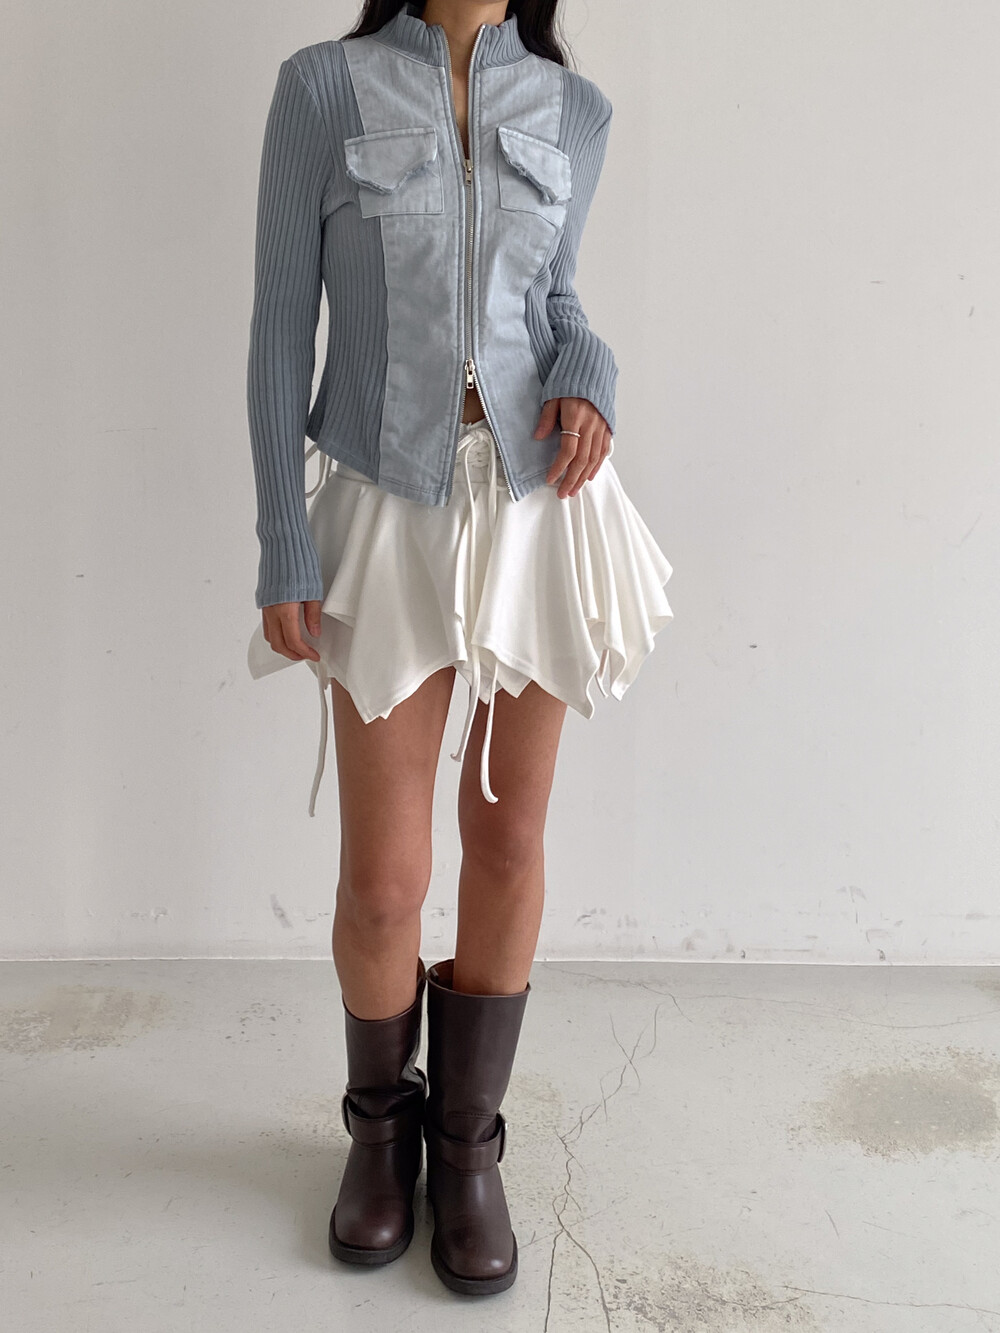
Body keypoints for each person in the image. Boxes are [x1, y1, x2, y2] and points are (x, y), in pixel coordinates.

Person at [244, 0, 673, 1296]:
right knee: (384, 879)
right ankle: (379, 1137)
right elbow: (281, 327)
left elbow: (553, 298)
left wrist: (590, 369)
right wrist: (283, 539)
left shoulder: (574, 109)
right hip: (383, 507)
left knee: (509, 838)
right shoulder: (323, 89)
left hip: (539, 507)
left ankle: (466, 1147)